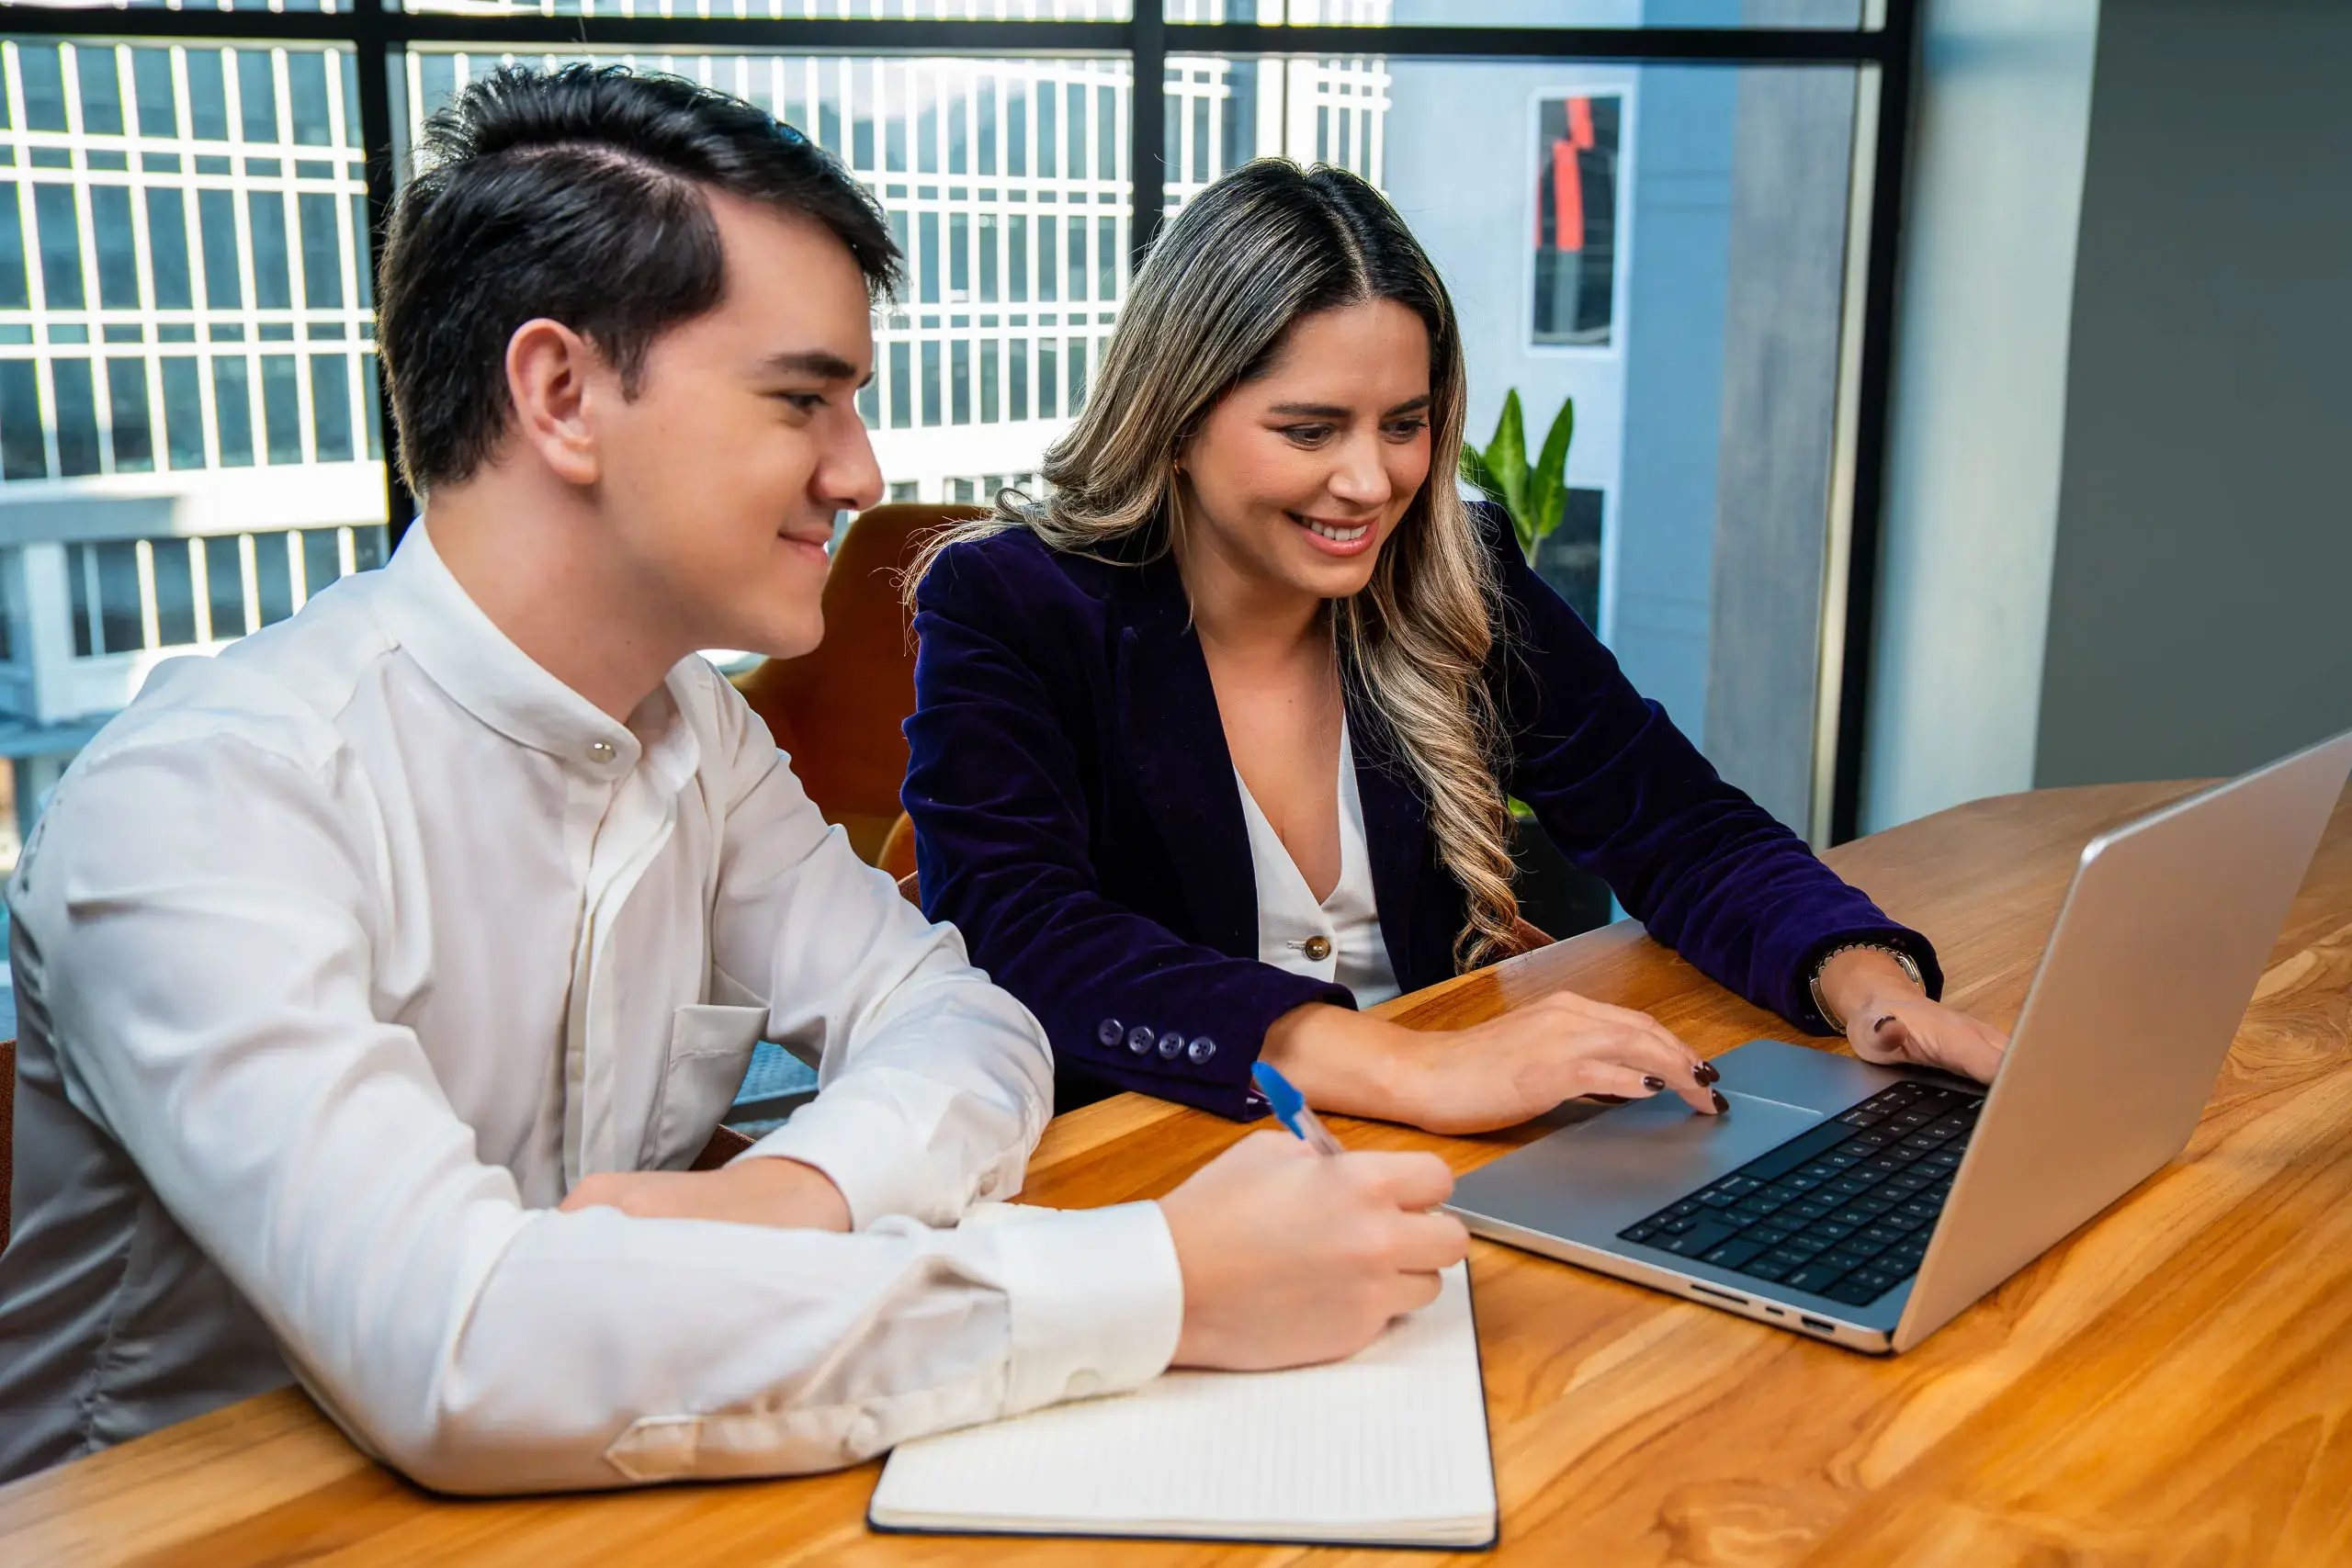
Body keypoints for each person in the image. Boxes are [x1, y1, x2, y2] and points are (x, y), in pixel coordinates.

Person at [0, 71, 1468, 1491]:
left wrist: (792, 1193)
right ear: (562, 392)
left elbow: (968, 1021)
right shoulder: (205, 800)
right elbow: (458, 1343)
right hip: (211, 1521)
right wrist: (1161, 1280)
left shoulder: (693, 730)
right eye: (802, 400)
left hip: (637, 1478)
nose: (863, 469)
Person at [901, 160, 2010, 1133]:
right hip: (1165, 1166)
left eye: (1404, 423)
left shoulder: (1454, 563)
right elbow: (1020, 932)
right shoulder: (1008, 601)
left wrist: (1867, 984)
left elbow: (1671, 818)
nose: (1371, 482)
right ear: (1177, 416)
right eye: (1309, 429)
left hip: (1449, 1153)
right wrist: (1416, 1066)